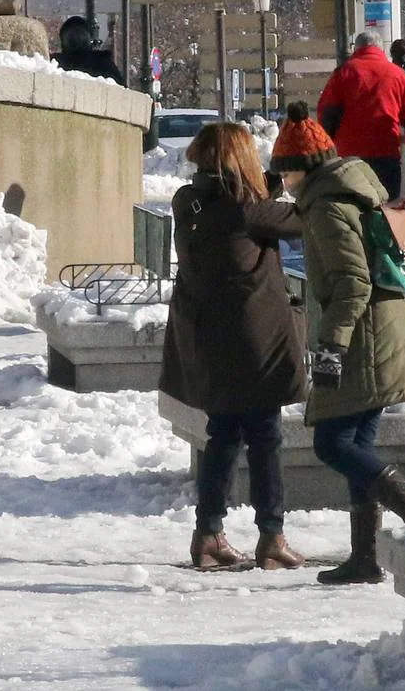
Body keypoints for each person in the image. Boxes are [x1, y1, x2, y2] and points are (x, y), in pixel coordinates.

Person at [270, 101, 405, 586]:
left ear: (303, 170)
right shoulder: (355, 191)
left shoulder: (327, 207)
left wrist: (332, 347)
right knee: (357, 443)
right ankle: (365, 557)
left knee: (332, 442)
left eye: (285, 174)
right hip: (382, 329)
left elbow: (352, 284)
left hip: (364, 338)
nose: (284, 185)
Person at [159, 123, 308, 571]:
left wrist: (271, 183)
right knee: (266, 436)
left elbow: (241, 201)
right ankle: (272, 536)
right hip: (254, 342)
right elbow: (302, 220)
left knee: (222, 435)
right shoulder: (252, 210)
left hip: (208, 337)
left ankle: (209, 535)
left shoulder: (189, 202)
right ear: (242, 160)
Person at [317, 31, 405, 200]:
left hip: (349, 156)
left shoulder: (343, 73)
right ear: (381, 49)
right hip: (386, 153)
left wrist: (327, 150)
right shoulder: (398, 75)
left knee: (352, 208)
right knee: (385, 207)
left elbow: (327, 114)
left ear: (357, 48)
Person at [51, 16, 124, 83]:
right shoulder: (103, 63)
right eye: (73, 35)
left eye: (80, 34)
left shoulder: (54, 64)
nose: (78, 38)